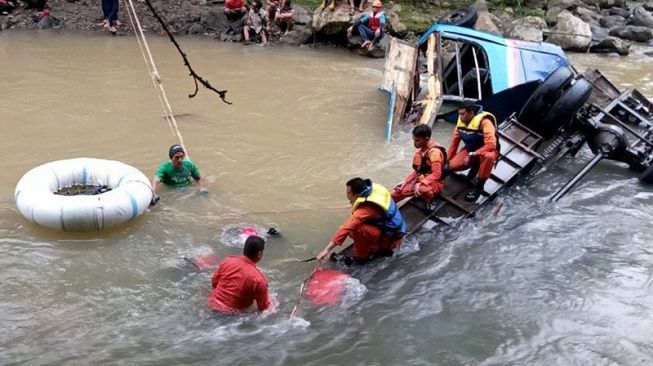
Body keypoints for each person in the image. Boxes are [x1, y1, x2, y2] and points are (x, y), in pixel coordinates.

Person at [316, 178, 407, 265]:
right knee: (353, 228)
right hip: (394, 228)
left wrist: (326, 250)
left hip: (390, 238)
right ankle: (370, 245)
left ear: (357, 195)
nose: (347, 195)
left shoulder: (366, 209)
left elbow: (345, 228)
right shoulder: (374, 188)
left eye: (348, 193)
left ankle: (361, 258)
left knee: (356, 229)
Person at [447, 102, 499, 202]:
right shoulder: (460, 122)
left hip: (487, 151)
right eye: (459, 114)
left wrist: (473, 154)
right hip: (471, 149)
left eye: (462, 114)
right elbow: (454, 142)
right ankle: (476, 164)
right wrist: (448, 161)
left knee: (488, 157)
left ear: (471, 113)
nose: (460, 116)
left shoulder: (485, 122)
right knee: (453, 165)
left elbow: (491, 145)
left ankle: (479, 187)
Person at [207, 236, 274, 313]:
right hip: (232, 315)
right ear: (259, 254)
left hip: (212, 304)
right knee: (272, 302)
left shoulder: (227, 261)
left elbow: (214, 282)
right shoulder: (259, 280)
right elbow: (263, 309)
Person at [391, 124, 446, 207]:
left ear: (426, 139)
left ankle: (430, 199)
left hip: (435, 182)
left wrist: (421, 183)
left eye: (417, 140)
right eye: (414, 139)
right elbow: (418, 171)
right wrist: (405, 181)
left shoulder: (434, 153)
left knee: (422, 189)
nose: (414, 143)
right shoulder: (422, 151)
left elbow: (436, 174)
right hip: (423, 178)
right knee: (396, 193)